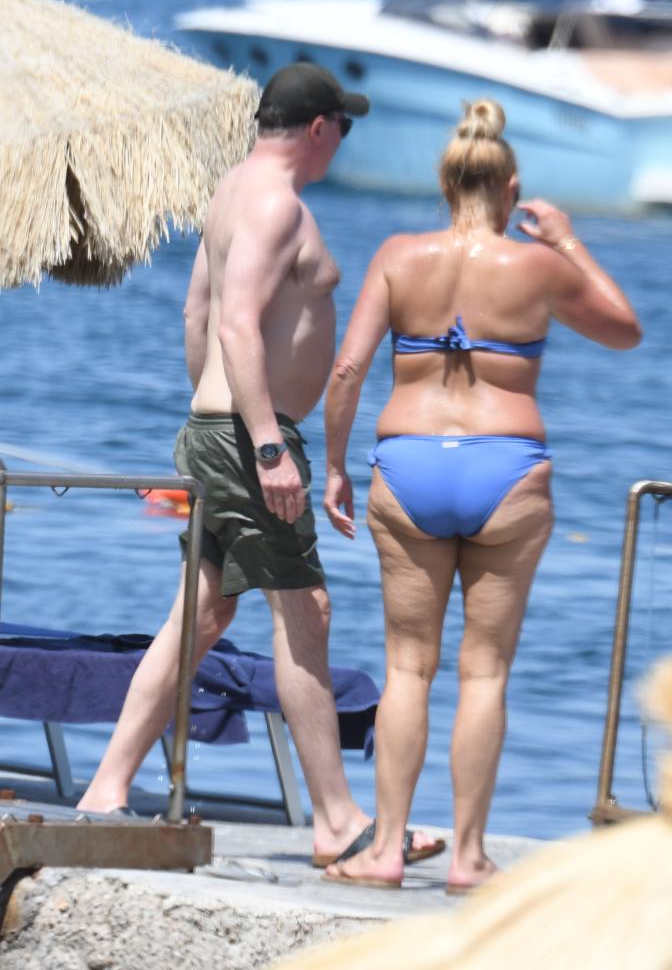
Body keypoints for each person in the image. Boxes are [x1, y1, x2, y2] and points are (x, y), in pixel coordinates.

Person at [77, 62, 441, 867]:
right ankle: (339, 822)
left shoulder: (231, 191)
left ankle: (106, 788)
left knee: (201, 615)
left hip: (224, 429)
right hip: (253, 439)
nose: (342, 142)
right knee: (303, 610)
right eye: (342, 128)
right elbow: (237, 324)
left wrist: (209, 419)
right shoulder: (277, 206)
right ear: (319, 129)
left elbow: (195, 313)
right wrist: (266, 442)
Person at [322, 98, 642, 891]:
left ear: (443, 179)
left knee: (406, 668)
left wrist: (332, 465)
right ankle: (466, 856)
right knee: (486, 671)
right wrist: (565, 238)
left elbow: (346, 370)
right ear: (510, 188)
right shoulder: (536, 265)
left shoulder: (398, 254)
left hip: (407, 464)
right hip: (507, 467)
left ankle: (388, 848)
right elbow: (623, 327)